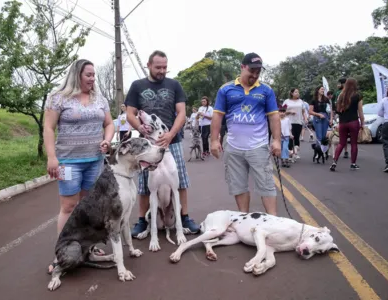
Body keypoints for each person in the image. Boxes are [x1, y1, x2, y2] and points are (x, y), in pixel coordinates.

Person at [43, 59, 115, 273]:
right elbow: (48, 128)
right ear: (77, 75)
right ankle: (61, 254)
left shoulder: (99, 99)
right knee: (69, 206)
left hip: (94, 161)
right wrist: (51, 157)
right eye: (88, 75)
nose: (93, 79)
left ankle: (88, 249)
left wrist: (107, 140)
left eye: (94, 75)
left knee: (89, 208)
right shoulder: (58, 98)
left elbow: (109, 123)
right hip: (67, 162)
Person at [124, 50, 200, 237]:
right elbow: (130, 114)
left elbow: (181, 113)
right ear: (148, 65)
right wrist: (140, 128)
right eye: (158, 67)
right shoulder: (137, 86)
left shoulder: (174, 85)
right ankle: (142, 220)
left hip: (171, 142)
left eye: (165, 67)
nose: (162, 70)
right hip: (147, 145)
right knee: (144, 183)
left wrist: (170, 134)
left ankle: (185, 216)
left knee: (180, 180)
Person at [209, 52, 282, 216]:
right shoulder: (226, 89)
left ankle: (273, 220)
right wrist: (214, 140)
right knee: (238, 185)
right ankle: (243, 218)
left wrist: (276, 140)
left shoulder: (266, 90)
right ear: (242, 67)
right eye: (252, 70)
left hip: (258, 146)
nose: (255, 75)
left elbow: (274, 116)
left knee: (266, 184)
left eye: (258, 72)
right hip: (233, 147)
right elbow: (218, 115)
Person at [329, 78, 364, 171]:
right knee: (353, 143)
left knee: (341, 143)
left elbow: (337, 110)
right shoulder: (358, 96)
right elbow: (360, 112)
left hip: (342, 122)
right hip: (353, 122)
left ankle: (334, 162)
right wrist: (363, 124)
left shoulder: (341, 95)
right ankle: (353, 163)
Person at [283, 88, 308, 160]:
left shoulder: (301, 102)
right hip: (288, 121)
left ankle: (295, 152)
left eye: (298, 92)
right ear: (291, 93)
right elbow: (282, 111)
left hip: (298, 121)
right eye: (296, 92)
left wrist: (305, 119)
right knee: (290, 138)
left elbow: (303, 111)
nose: (297, 93)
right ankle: (290, 153)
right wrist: (290, 112)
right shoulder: (286, 101)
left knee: (297, 137)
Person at [333, 78, 349, 158]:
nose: (338, 85)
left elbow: (336, 105)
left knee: (342, 134)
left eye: (339, 83)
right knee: (344, 134)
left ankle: (340, 151)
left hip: (341, 115)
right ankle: (345, 151)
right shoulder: (340, 92)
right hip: (349, 116)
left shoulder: (339, 93)